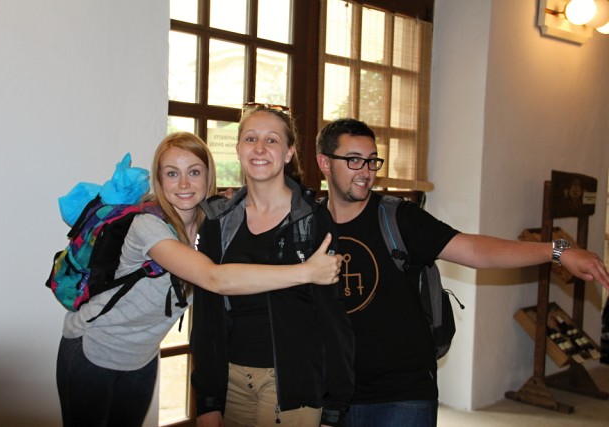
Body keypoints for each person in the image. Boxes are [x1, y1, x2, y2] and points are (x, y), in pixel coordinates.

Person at [314, 118, 609, 427]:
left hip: (401, 393)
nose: (366, 171)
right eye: (354, 160)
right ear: (324, 163)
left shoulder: (398, 217)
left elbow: (475, 250)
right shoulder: (309, 224)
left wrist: (557, 251)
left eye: (372, 160)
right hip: (331, 392)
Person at [56, 132, 343, 427]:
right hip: (94, 349)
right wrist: (307, 272)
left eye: (194, 172)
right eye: (172, 174)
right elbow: (214, 278)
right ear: (159, 180)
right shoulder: (148, 226)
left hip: (141, 358)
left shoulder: (214, 225)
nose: (183, 184)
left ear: (209, 177)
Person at [191, 104, 355, 427]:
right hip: (231, 381)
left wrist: (334, 406)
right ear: (238, 148)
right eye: (251, 138)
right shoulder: (218, 220)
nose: (260, 148)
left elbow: (332, 318)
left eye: (272, 140)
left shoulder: (313, 219)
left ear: (289, 152)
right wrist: (208, 399)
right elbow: (207, 315)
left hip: (292, 382)